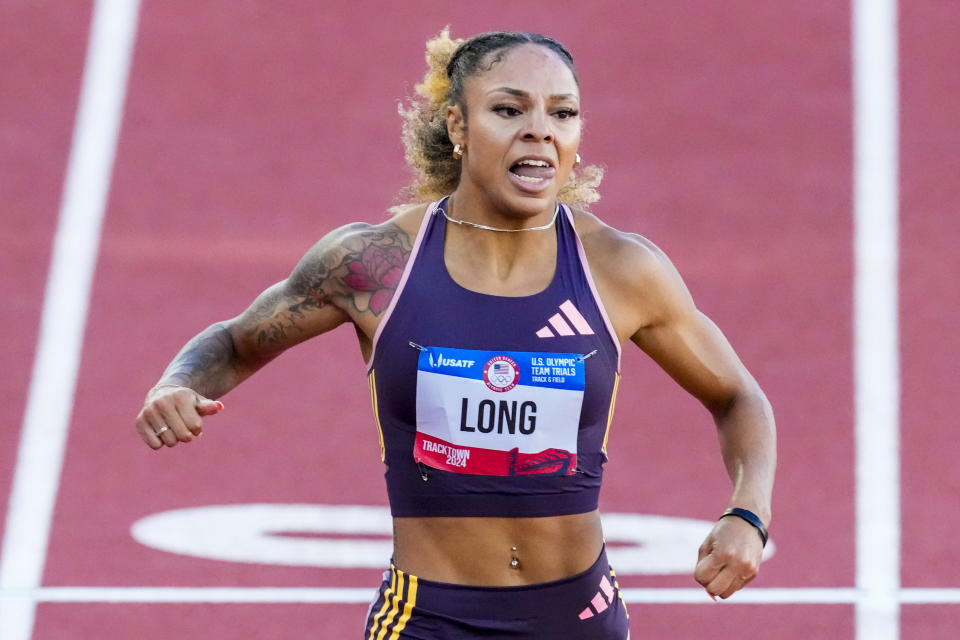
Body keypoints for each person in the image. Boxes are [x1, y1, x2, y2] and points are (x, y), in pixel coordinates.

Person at [135, 29, 776, 639]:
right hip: (429, 618)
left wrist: (748, 513)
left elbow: (737, 397)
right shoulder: (375, 264)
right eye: (508, 109)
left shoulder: (621, 271)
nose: (540, 130)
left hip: (575, 614)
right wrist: (177, 383)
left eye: (563, 113)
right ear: (456, 128)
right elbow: (235, 341)